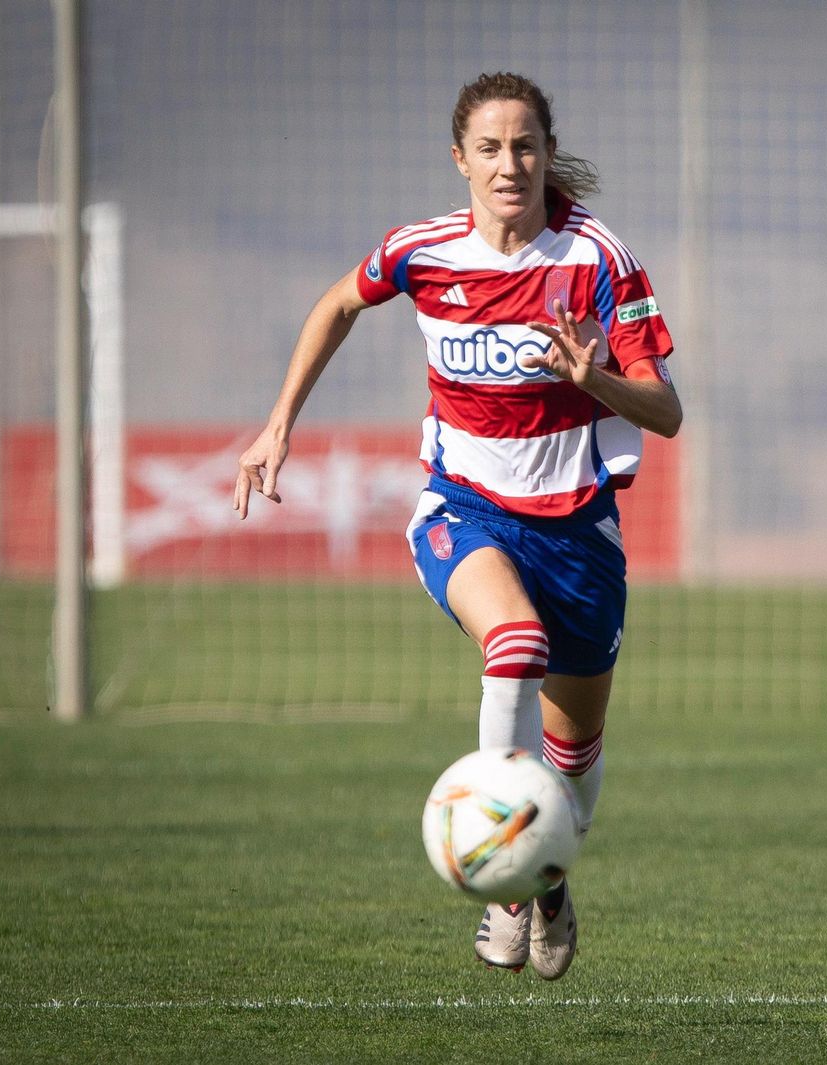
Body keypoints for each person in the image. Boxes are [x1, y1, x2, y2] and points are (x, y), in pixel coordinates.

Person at [233, 71, 682, 981]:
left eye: (526, 146)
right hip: (462, 509)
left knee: (576, 757)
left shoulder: (598, 257)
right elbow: (337, 305)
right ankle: (505, 887)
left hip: (577, 528)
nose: (509, 164)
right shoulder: (421, 250)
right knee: (511, 643)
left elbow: (666, 412)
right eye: (490, 147)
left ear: (549, 153)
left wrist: (596, 378)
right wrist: (280, 419)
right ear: (460, 159)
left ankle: (549, 878)